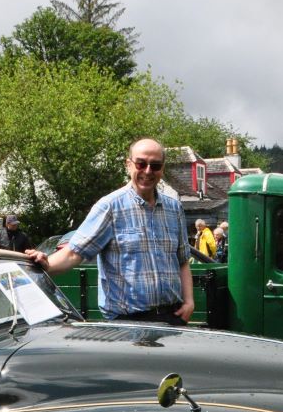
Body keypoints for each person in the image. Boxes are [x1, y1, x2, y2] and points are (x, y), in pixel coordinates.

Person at [26, 137, 194, 325]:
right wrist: (45, 264)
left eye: (155, 166)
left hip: (173, 316)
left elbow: (182, 260)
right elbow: (73, 253)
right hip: (128, 323)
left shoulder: (173, 208)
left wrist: (189, 302)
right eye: (141, 164)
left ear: (162, 168)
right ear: (128, 165)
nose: (147, 171)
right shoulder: (110, 207)